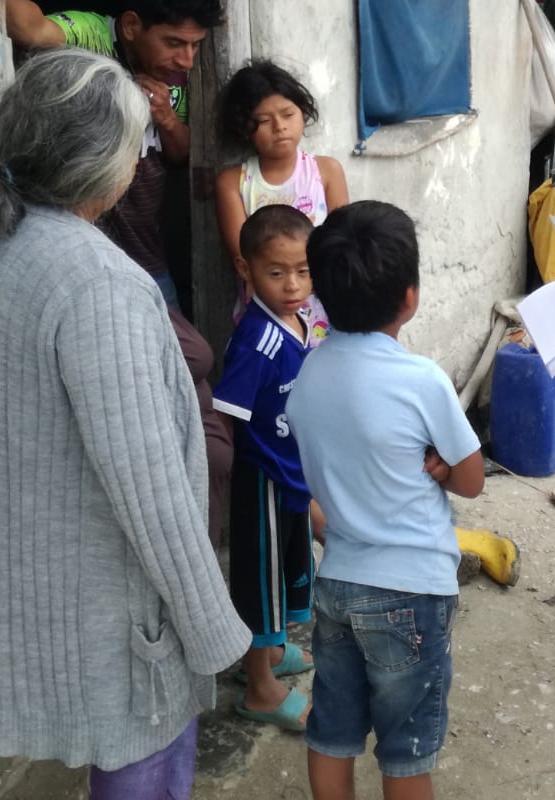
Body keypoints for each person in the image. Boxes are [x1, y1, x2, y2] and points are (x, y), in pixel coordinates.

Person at [0, 49, 248, 799]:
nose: (140, 163)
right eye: (135, 147)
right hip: (110, 597)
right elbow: (150, 488)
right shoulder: (97, 283)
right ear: (100, 165)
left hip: (47, 574)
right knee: (143, 755)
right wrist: (211, 624)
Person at [3, 0, 236, 546]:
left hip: (147, 261)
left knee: (177, 373)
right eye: (174, 43)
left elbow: (183, 155)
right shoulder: (91, 36)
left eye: (195, 46)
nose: (186, 59)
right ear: (131, 26)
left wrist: (168, 119)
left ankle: (182, 512)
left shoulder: (172, 82)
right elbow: (28, 27)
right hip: (82, 260)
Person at [288, 201, 485, 800]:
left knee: (332, 731)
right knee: (405, 752)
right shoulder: (422, 380)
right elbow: (472, 479)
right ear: (410, 297)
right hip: (412, 591)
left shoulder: (307, 376)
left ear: (319, 292)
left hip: (338, 582)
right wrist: (441, 465)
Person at [213, 205, 324, 731]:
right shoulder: (258, 340)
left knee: (283, 576)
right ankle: (259, 687)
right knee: (261, 586)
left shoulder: (300, 324)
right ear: (246, 269)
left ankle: (271, 655)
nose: (293, 284)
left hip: (291, 476)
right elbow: (227, 417)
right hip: (263, 481)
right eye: (277, 272)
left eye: (303, 271)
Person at [214, 59, 349, 335]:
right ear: (244, 128)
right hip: (267, 310)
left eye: (288, 114)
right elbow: (243, 254)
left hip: (324, 305)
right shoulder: (234, 183)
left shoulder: (326, 171)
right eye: (264, 120)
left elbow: (343, 240)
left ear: (303, 113)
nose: (279, 127)